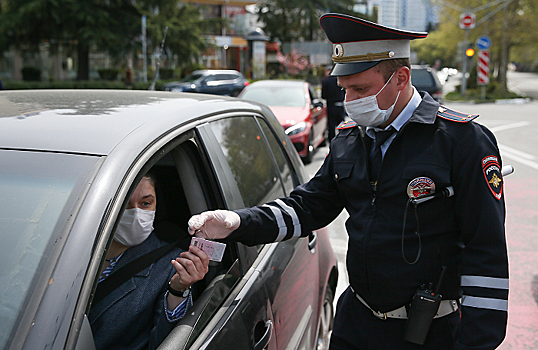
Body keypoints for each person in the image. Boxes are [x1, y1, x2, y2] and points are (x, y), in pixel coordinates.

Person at [187, 13, 509, 350]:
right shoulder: (349, 138)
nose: (351, 102)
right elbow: (309, 206)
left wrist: (476, 343)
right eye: (345, 90)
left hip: (432, 332)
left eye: (361, 89)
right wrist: (237, 221)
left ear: (400, 77)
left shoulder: (462, 141)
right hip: (356, 324)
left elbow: (485, 249)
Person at [89, 174, 209, 350]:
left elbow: (165, 342)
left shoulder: (174, 263)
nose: (136, 213)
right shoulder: (72, 248)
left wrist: (177, 290)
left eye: (145, 203)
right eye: (125, 204)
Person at [321, 65, 346, 141]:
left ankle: (332, 142)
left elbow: (323, 95)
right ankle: (343, 139)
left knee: (331, 126)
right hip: (340, 105)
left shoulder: (326, 81)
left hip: (331, 106)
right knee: (341, 125)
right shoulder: (340, 80)